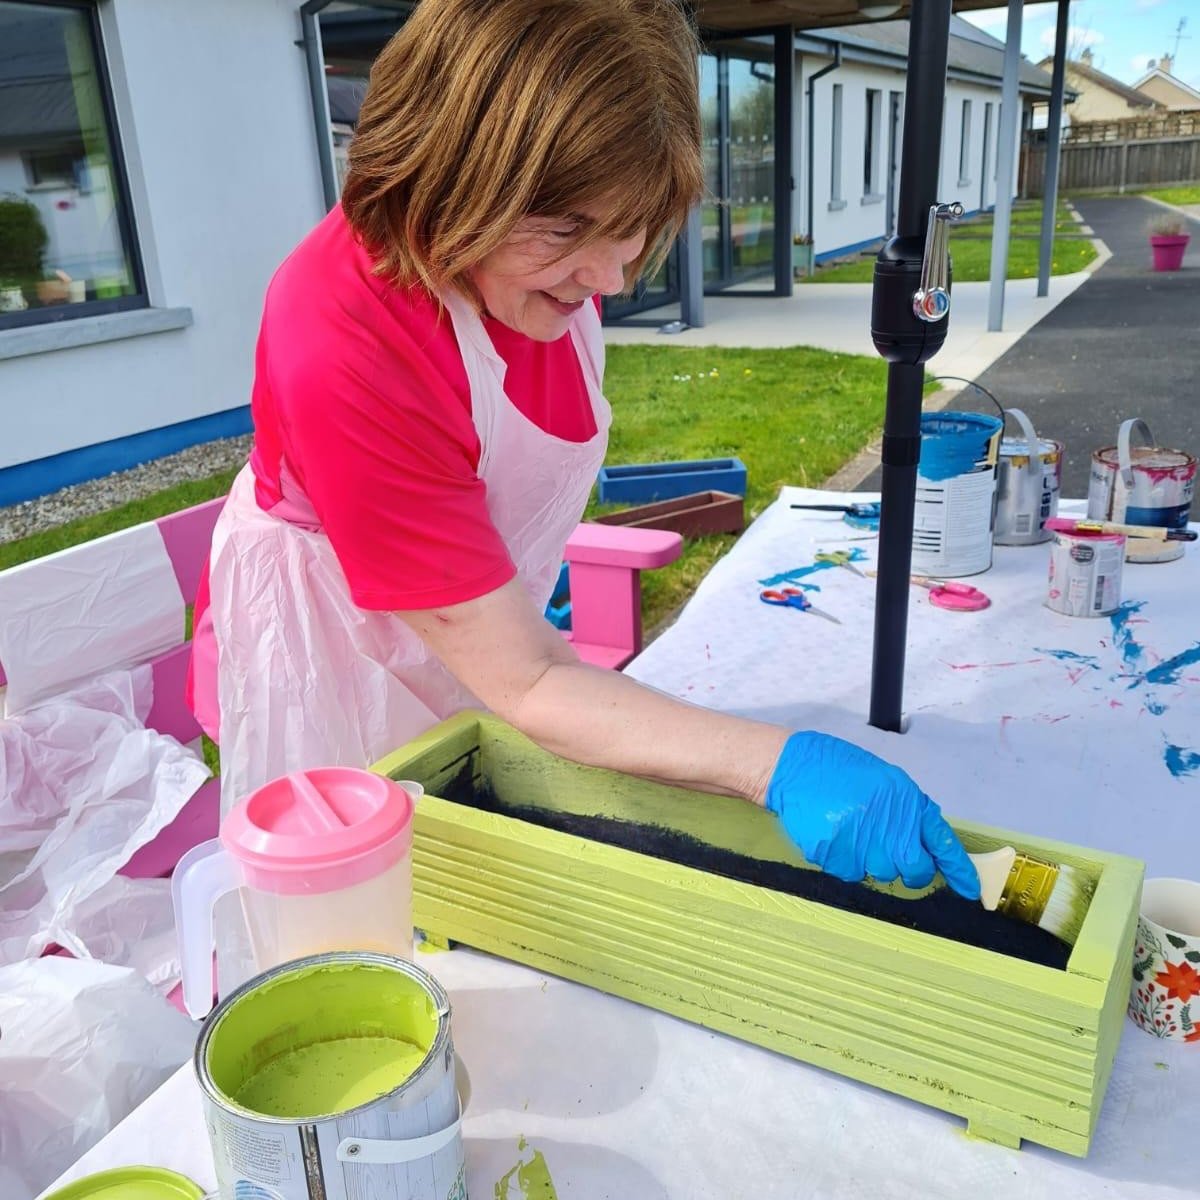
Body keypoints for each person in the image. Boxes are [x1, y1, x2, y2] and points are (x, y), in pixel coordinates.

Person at [188, 0, 980, 903]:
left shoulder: (531, 267)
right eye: (567, 230)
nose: (609, 277)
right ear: (448, 177)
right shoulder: (345, 335)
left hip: (482, 626)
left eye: (631, 226)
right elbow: (524, 675)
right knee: (372, 902)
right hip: (337, 644)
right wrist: (773, 765)